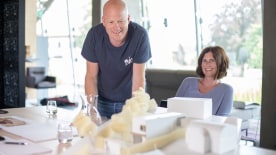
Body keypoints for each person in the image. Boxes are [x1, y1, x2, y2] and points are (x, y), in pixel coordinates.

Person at [81, 0, 152, 119]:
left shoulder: (140, 36)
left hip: (128, 103)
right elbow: (91, 77)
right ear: (103, 21)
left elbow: (138, 80)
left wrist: (135, 111)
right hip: (101, 104)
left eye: (121, 21)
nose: (116, 27)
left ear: (128, 19)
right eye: (111, 22)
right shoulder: (94, 36)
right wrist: (92, 110)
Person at [175, 46, 233, 116]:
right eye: (204, 60)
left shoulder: (226, 90)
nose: (207, 64)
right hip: (181, 126)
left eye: (212, 60)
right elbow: (174, 110)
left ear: (220, 63)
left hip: (208, 127)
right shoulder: (187, 82)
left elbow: (221, 120)